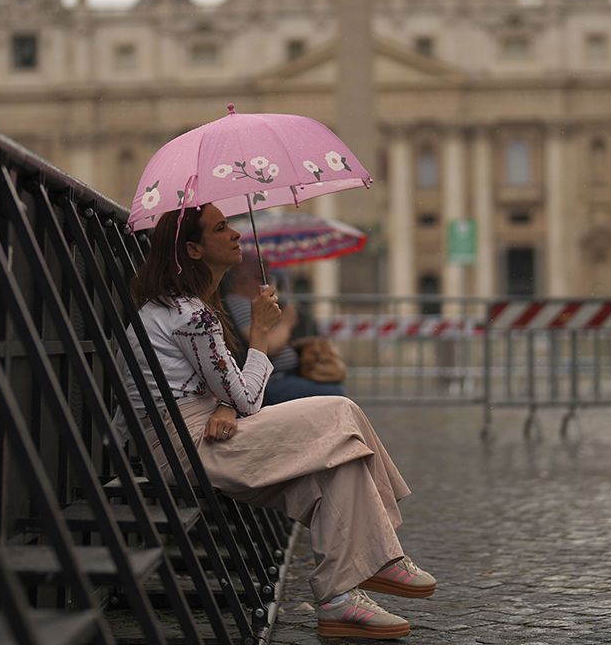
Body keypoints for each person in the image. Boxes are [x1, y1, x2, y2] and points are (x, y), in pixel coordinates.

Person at [125, 204, 434, 639]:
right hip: (181, 447)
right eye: (220, 228)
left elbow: (223, 390)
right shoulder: (191, 315)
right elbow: (248, 397)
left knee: (340, 459)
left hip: (195, 430)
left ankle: (339, 600)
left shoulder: (185, 308)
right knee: (340, 412)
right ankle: (380, 558)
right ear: (193, 250)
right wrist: (262, 333)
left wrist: (224, 405)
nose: (234, 234)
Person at [222, 251, 348, 405]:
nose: (268, 284)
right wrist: (286, 323)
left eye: (269, 278)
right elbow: (267, 346)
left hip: (286, 375)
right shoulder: (239, 302)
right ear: (242, 280)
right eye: (261, 278)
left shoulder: (250, 302)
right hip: (272, 381)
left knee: (333, 390)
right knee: (335, 395)